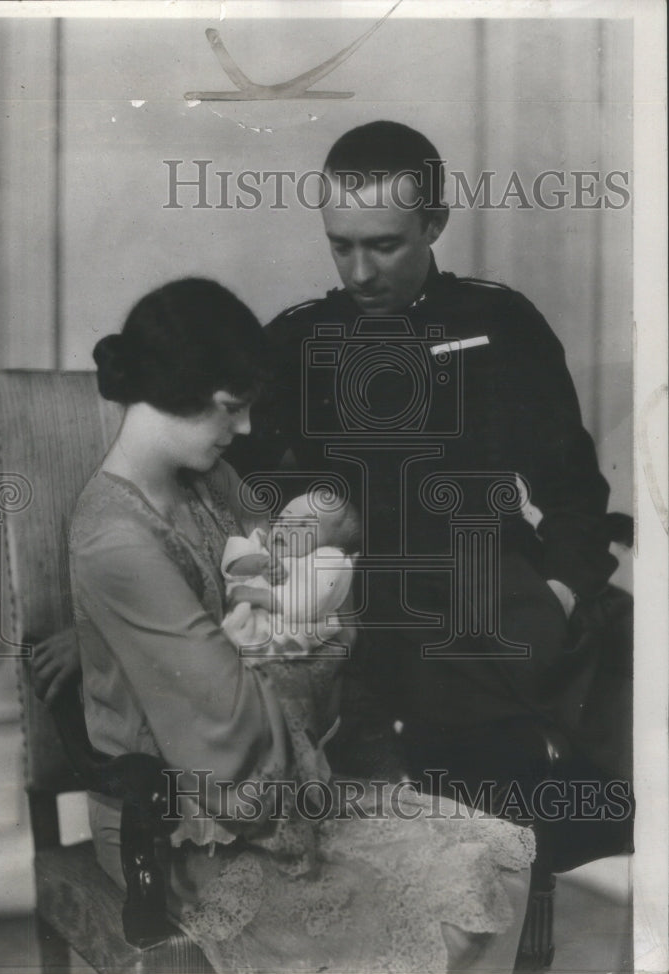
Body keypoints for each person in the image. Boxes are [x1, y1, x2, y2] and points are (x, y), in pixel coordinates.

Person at [68, 276, 535, 974]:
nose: (248, 429)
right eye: (231, 408)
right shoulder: (116, 543)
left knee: (495, 854)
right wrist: (314, 652)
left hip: (273, 779)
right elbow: (230, 724)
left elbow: (318, 586)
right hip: (189, 826)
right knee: (448, 917)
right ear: (172, 391)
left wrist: (306, 641)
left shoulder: (208, 479)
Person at [226, 121, 633, 860]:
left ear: (434, 223)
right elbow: (228, 494)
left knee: (622, 679)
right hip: (364, 615)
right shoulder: (293, 342)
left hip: (495, 596)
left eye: (382, 245)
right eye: (340, 244)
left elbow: (573, 487)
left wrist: (564, 590)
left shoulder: (498, 325)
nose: (358, 272)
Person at [221, 488, 359, 655]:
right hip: (239, 623)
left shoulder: (325, 562)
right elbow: (232, 564)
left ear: (329, 548)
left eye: (303, 525)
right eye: (283, 518)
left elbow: (310, 597)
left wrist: (264, 597)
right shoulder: (261, 542)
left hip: (282, 634)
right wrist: (258, 563)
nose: (285, 525)